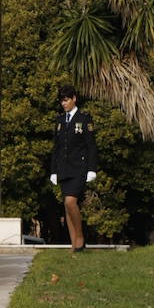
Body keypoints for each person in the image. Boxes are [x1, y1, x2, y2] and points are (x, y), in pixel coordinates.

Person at [50, 83, 97, 252]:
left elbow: (91, 145)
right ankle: (74, 244)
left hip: (79, 168)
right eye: (62, 101)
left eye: (67, 100)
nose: (64, 103)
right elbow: (56, 148)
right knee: (66, 206)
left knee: (71, 202)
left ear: (74, 99)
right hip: (63, 169)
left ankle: (80, 237)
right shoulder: (60, 120)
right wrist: (53, 171)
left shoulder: (84, 118)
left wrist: (92, 168)